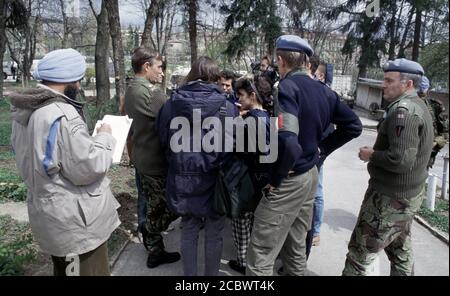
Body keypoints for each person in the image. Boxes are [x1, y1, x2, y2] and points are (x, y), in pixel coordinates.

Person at [245, 35, 362, 276]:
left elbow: (289, 142)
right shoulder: (324, 91)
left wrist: (275, 180)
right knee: (296, 249)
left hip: (290, 177)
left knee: (260, 256)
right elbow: (354, 125)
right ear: (305, 61)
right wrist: (322, 149)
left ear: (280, 60)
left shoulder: (287, 88)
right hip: (309, 175)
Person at [9, 48, 120, 276]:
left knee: (68, 271)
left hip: (50, 217)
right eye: (77, 80)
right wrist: (105, 136)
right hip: (76, 224)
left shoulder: (26, 110)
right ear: (68, 79)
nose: (78, 86)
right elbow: (88, 167)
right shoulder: (62, 113)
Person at [342, 58, 434, 276]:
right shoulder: (418, 105)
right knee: (400, 250)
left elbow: (400, 160)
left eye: (389, 80)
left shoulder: (404, 112)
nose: (384, 84)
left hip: (388, 200)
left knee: (359, 254)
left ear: (407, 84)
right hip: (404, 197)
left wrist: (371, 155)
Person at [157, 56, 238, 276]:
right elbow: (232, 145)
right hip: (215, 179)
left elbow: (163, 139)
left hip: (183, 176)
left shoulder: (171, 104)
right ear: (215, 77)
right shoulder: (227, 107)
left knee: (189, 229)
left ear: (192, 74)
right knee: (214, 233)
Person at [124, 47, 180, 268]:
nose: (163, 73)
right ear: (146, 66)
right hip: (155, 163)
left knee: (147, 204)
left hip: (141, 158)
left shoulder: (130, 89)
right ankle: (153, 243)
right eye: (159, 67)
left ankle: (153, 245)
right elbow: (178, 116)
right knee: (167, 207)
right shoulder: (152, 94)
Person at [228, 74, 273, 274]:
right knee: (254, 222)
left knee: (241, 222)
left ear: (253, 96)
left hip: (246, 178)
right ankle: (252, 260)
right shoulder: (266, 118)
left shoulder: (249, 122)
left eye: (241, 95)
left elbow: (237, 147)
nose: (238, 99)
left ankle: (243, 262)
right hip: (260, 179)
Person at [418, 76, 448, 169]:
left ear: (427, 92)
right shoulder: (400, 106)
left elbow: (445, 134)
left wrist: (434, 143)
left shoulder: (435, 107)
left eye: (421, 93)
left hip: (424, 160)